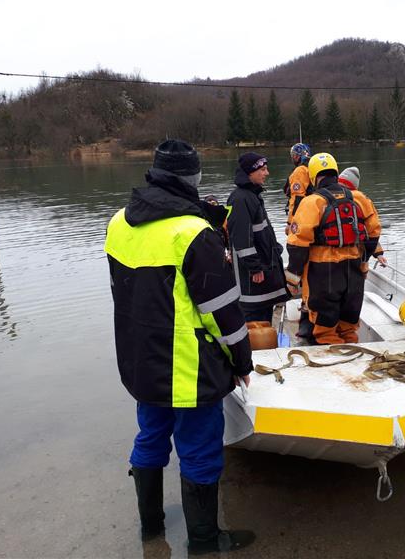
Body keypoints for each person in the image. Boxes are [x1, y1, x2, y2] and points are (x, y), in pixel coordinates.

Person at [104, 139, 255, 555]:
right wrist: (242, 361)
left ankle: (150, 529)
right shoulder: (194, 234)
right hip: (187, 368)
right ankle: (205, 541)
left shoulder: (119, 221)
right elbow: (223, 312)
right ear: (193, 178)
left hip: (140, 362)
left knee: (150, 436)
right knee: (199, 450)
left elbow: (137, 291)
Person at [285, 153, 382, 345]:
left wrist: (293, 279)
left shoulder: (312, 202)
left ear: (314, 176)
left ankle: (333, 357)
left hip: (323, 273)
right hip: (353, 270)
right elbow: (373, 233)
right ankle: (352, 351)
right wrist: (363, 262)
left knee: (325, 327)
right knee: (349, 324)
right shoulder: (359, 198)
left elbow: (297, 244)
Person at [226, 152, 289, 323]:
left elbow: (262, 233)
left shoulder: (252, 196)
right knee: (254, 322)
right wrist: (254, 267)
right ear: (250, 172)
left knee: (264, 318)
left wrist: (276, 250)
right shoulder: (240, 199)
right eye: (262, 169)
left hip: (263, 271)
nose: (267, 173)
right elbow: (241, 238)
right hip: (252, 278)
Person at [285, 143, 315, 338]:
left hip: (303, 227)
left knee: (303, 272)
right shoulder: (313, 171)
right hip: (315, 227)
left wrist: (291, 224)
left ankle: (306, 320)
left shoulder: (299, 172)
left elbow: (296, 200)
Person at [337, 166, 387, 267]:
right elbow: (372, 232)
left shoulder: (326, 197)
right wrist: (375, 254)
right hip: (356, 258)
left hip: (330, 260)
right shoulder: (362, 200)